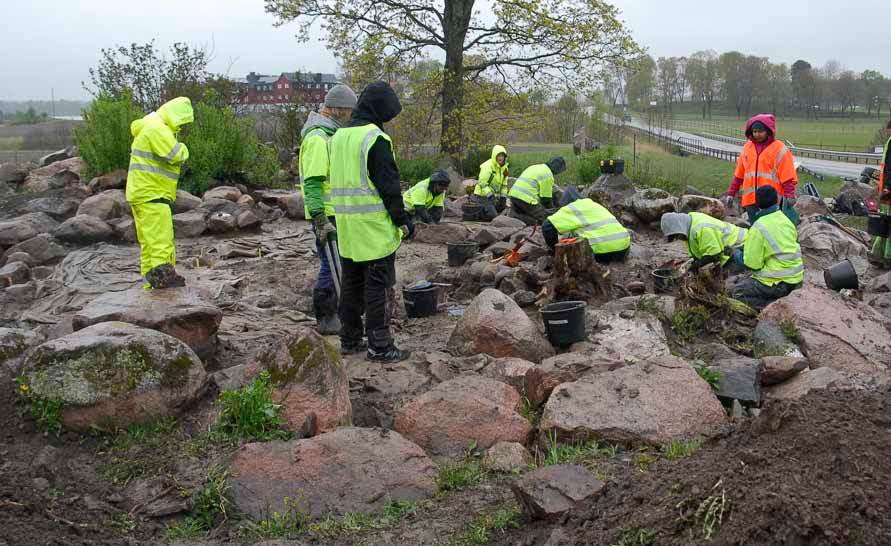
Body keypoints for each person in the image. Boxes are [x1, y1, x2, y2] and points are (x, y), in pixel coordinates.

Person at [328, 81, 412, 362]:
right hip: (373, 228)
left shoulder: (339, 136)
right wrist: (403, 220)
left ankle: (350, 339)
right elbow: (389, 185)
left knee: (351, 284)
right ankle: (380, 345)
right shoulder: (374, 138)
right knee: (378, 286)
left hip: (347, 227)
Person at [299, 84, 359, 334]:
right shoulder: (318, 137)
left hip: (337, 211)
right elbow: (313, 181)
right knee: (329, 264)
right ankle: (325, 316)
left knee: (339, 263)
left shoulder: (330, 134)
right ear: (334, 109)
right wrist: (320, 217)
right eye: (346, 111)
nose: (349, 116)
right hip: (327, 213)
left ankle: (337, 313)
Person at [125, 96, 193, 289]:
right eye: (181, 122)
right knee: (161, 244)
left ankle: (150, 289)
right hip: (153, 195)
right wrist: (184, 148)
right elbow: (175, 154)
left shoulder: (149, 127)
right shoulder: (158, 129)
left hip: (142, 194)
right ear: (175, 116)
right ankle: (164, 290)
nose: (181, 128)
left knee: (148, 246)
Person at [729, 186, 803, 310]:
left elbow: (752, 264)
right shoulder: (786, 220)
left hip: (777, 282)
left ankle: (771, 307)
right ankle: (780, 300)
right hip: (796, 280)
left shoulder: (759, 227)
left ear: (757, 204)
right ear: (777, 200)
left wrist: (736, 254)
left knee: (737, 292)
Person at [723, 114, 798, 223]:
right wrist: (731, 193)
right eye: (755, 131)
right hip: (751, 200)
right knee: (756, 228)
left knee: (772, 228)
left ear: (768, 131)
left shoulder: (779, 149)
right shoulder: (747, 149)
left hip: (771, 201)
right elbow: (739, 175)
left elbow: (787, 176)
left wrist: (790, 195)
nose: (757, 134)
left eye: (760, 131)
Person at [542, 188, 631, 263]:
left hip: (602, 253)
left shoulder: (571, 207)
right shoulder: (594, 204)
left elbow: (546, 226)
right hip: (624, 248)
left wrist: (554, 250)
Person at [661, 212, 747, 273]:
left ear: (679, 227)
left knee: (728, 281)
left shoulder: (701, 227)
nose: (677, 238)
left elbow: (714, 255)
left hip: (741, 246)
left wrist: (695, 266)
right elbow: (698, 253)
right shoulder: (688, 225)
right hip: (728, 249)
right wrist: (693, 264)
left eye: (676, 235)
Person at [508, 156, 566, 226]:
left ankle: (514, 218)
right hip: (526, 199)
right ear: (557, 169)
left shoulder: (535, 167)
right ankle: (516, 218)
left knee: (525, 213)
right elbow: (546, 200)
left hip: (514, 195)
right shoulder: (547, 174)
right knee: (543, 219)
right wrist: (552, 212)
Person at [869, 120, 891, 268]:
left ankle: (883, 257)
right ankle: (880, 256)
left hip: (889, 191)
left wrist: (887, 187)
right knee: (884, 223)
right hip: (887, 193)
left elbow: (889, 168)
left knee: (885, 224)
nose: (886, 132)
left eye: (888, 129)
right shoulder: (890, 142)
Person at [472, 145, 509, 221]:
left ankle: (486, 209)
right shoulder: (487, 166)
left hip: (492, 197)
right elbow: (482, 183)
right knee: (493, 216)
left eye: (502, 156)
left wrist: (503, 198)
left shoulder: (505, 169)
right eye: (498, 155)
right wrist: (490, 196)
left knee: (502, 209)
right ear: (494, 156)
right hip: (481, 196)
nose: (500, 158)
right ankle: (477, 211)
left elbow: (504, 185)